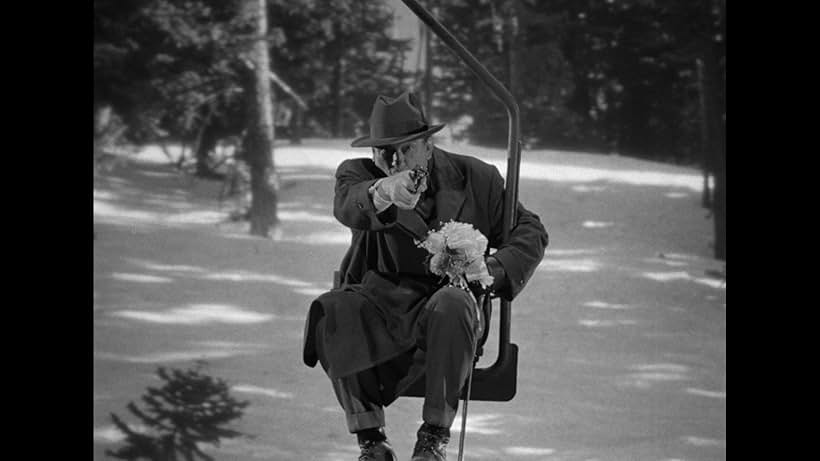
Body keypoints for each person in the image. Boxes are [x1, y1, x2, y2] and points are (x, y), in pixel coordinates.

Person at [303, 92, 548, 460]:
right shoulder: (360, 175)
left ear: (428, 145)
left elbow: (530, 231)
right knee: (332, 311)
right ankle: (371, 441)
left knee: (451, 303)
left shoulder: (474, 178)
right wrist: (383, 191)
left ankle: (433, 438)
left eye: (406, 149)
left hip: (448, 311)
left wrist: (492, 270)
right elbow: (350, 202)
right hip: (382, 306)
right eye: (384, 151)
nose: (395, 160)